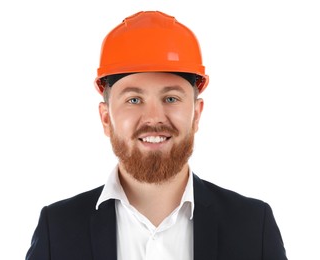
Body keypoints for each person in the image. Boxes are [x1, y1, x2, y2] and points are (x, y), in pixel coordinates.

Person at [26, 11, 288, 260]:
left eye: (171, 98)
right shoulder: (57, 230)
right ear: (106, 118)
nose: (153, 118)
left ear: (196, 114)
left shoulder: (254, 227)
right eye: (134, 99)